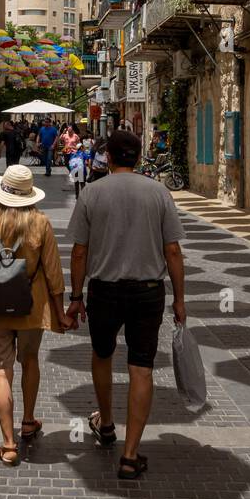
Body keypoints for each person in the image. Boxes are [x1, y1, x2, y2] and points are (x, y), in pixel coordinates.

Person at [66, 128, 185, 480]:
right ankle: (130, 455)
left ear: (110, 157)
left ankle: (105, 422)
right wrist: (180, 299)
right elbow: (173, 250)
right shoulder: (159, 193)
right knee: (141, 367)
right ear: (136, 157)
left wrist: (75, 297)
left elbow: (79, 251)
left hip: (104, 290)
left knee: (102, 355)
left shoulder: (92, 193)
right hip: (148, 291)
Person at [0, 165, 72, 466]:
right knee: (30, 360)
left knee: (1, 369)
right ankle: (27, 420)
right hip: (32, 305)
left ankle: (9, 444)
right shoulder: (41, 222)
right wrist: (60, 312)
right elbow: (53, 272)